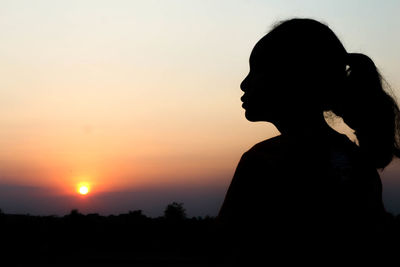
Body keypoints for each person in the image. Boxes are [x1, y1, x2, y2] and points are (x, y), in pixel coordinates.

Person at [218, 18, 400, 263]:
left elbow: (227, 248)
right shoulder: (358, 161)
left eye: (256, 71)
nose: (244, 83)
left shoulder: (264, 161)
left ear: (291, 79)